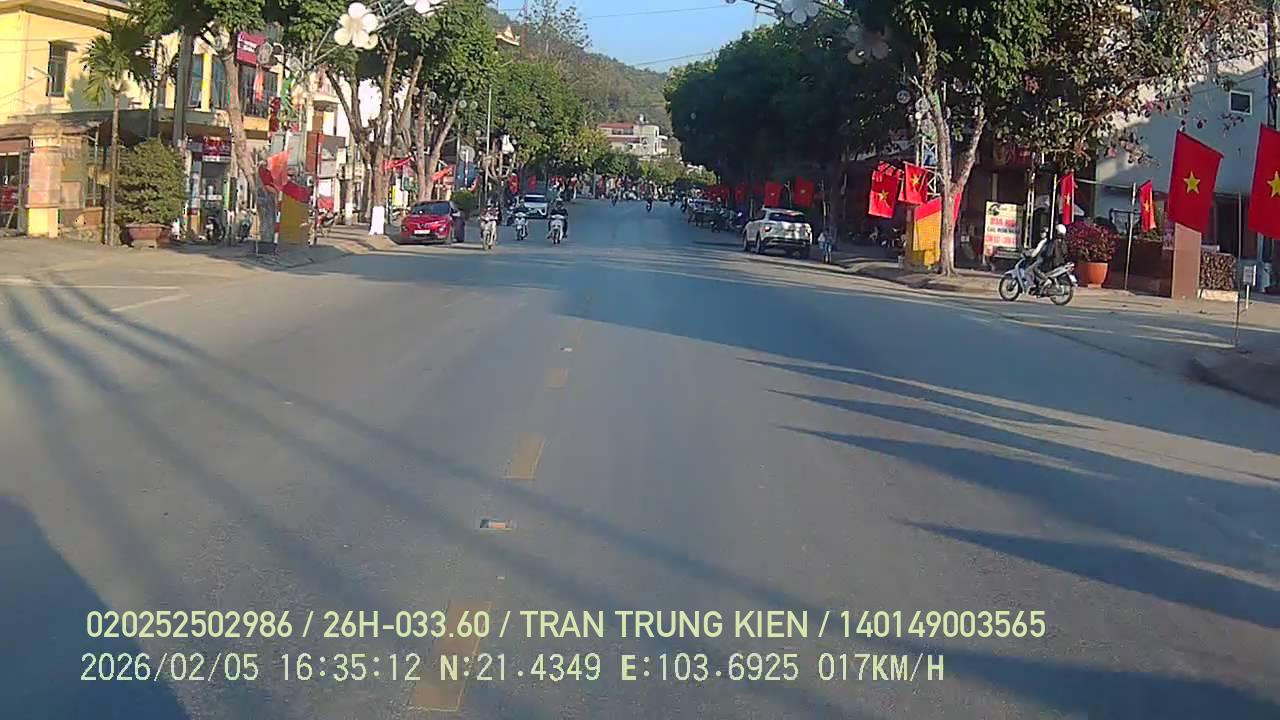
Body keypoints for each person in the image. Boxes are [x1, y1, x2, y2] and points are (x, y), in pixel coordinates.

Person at [1026, 223, 1067, 288]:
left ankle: (1043, 280)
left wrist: (1043, 255)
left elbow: (1048, 254)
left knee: (1034, 268)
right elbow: (1065, 253)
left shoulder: (1053, 242)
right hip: (1060, 263)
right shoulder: (1063, 242)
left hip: (1052, 263)